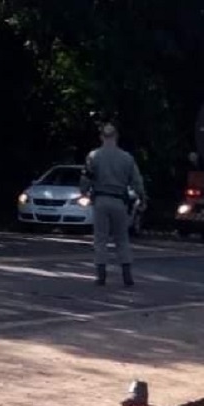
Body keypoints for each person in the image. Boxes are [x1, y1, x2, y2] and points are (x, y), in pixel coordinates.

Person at [80, 123, 146, 287]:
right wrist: (142, 197)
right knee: (122, 238)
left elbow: (86, 178)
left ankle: (101, 275)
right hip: (119, 201)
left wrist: (84, 192)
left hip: (101, 200)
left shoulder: (93, 156)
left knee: (100, 238)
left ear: (101, 137)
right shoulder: (127, 158)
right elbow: (137, 181)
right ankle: (127, 274)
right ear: (116, 136)